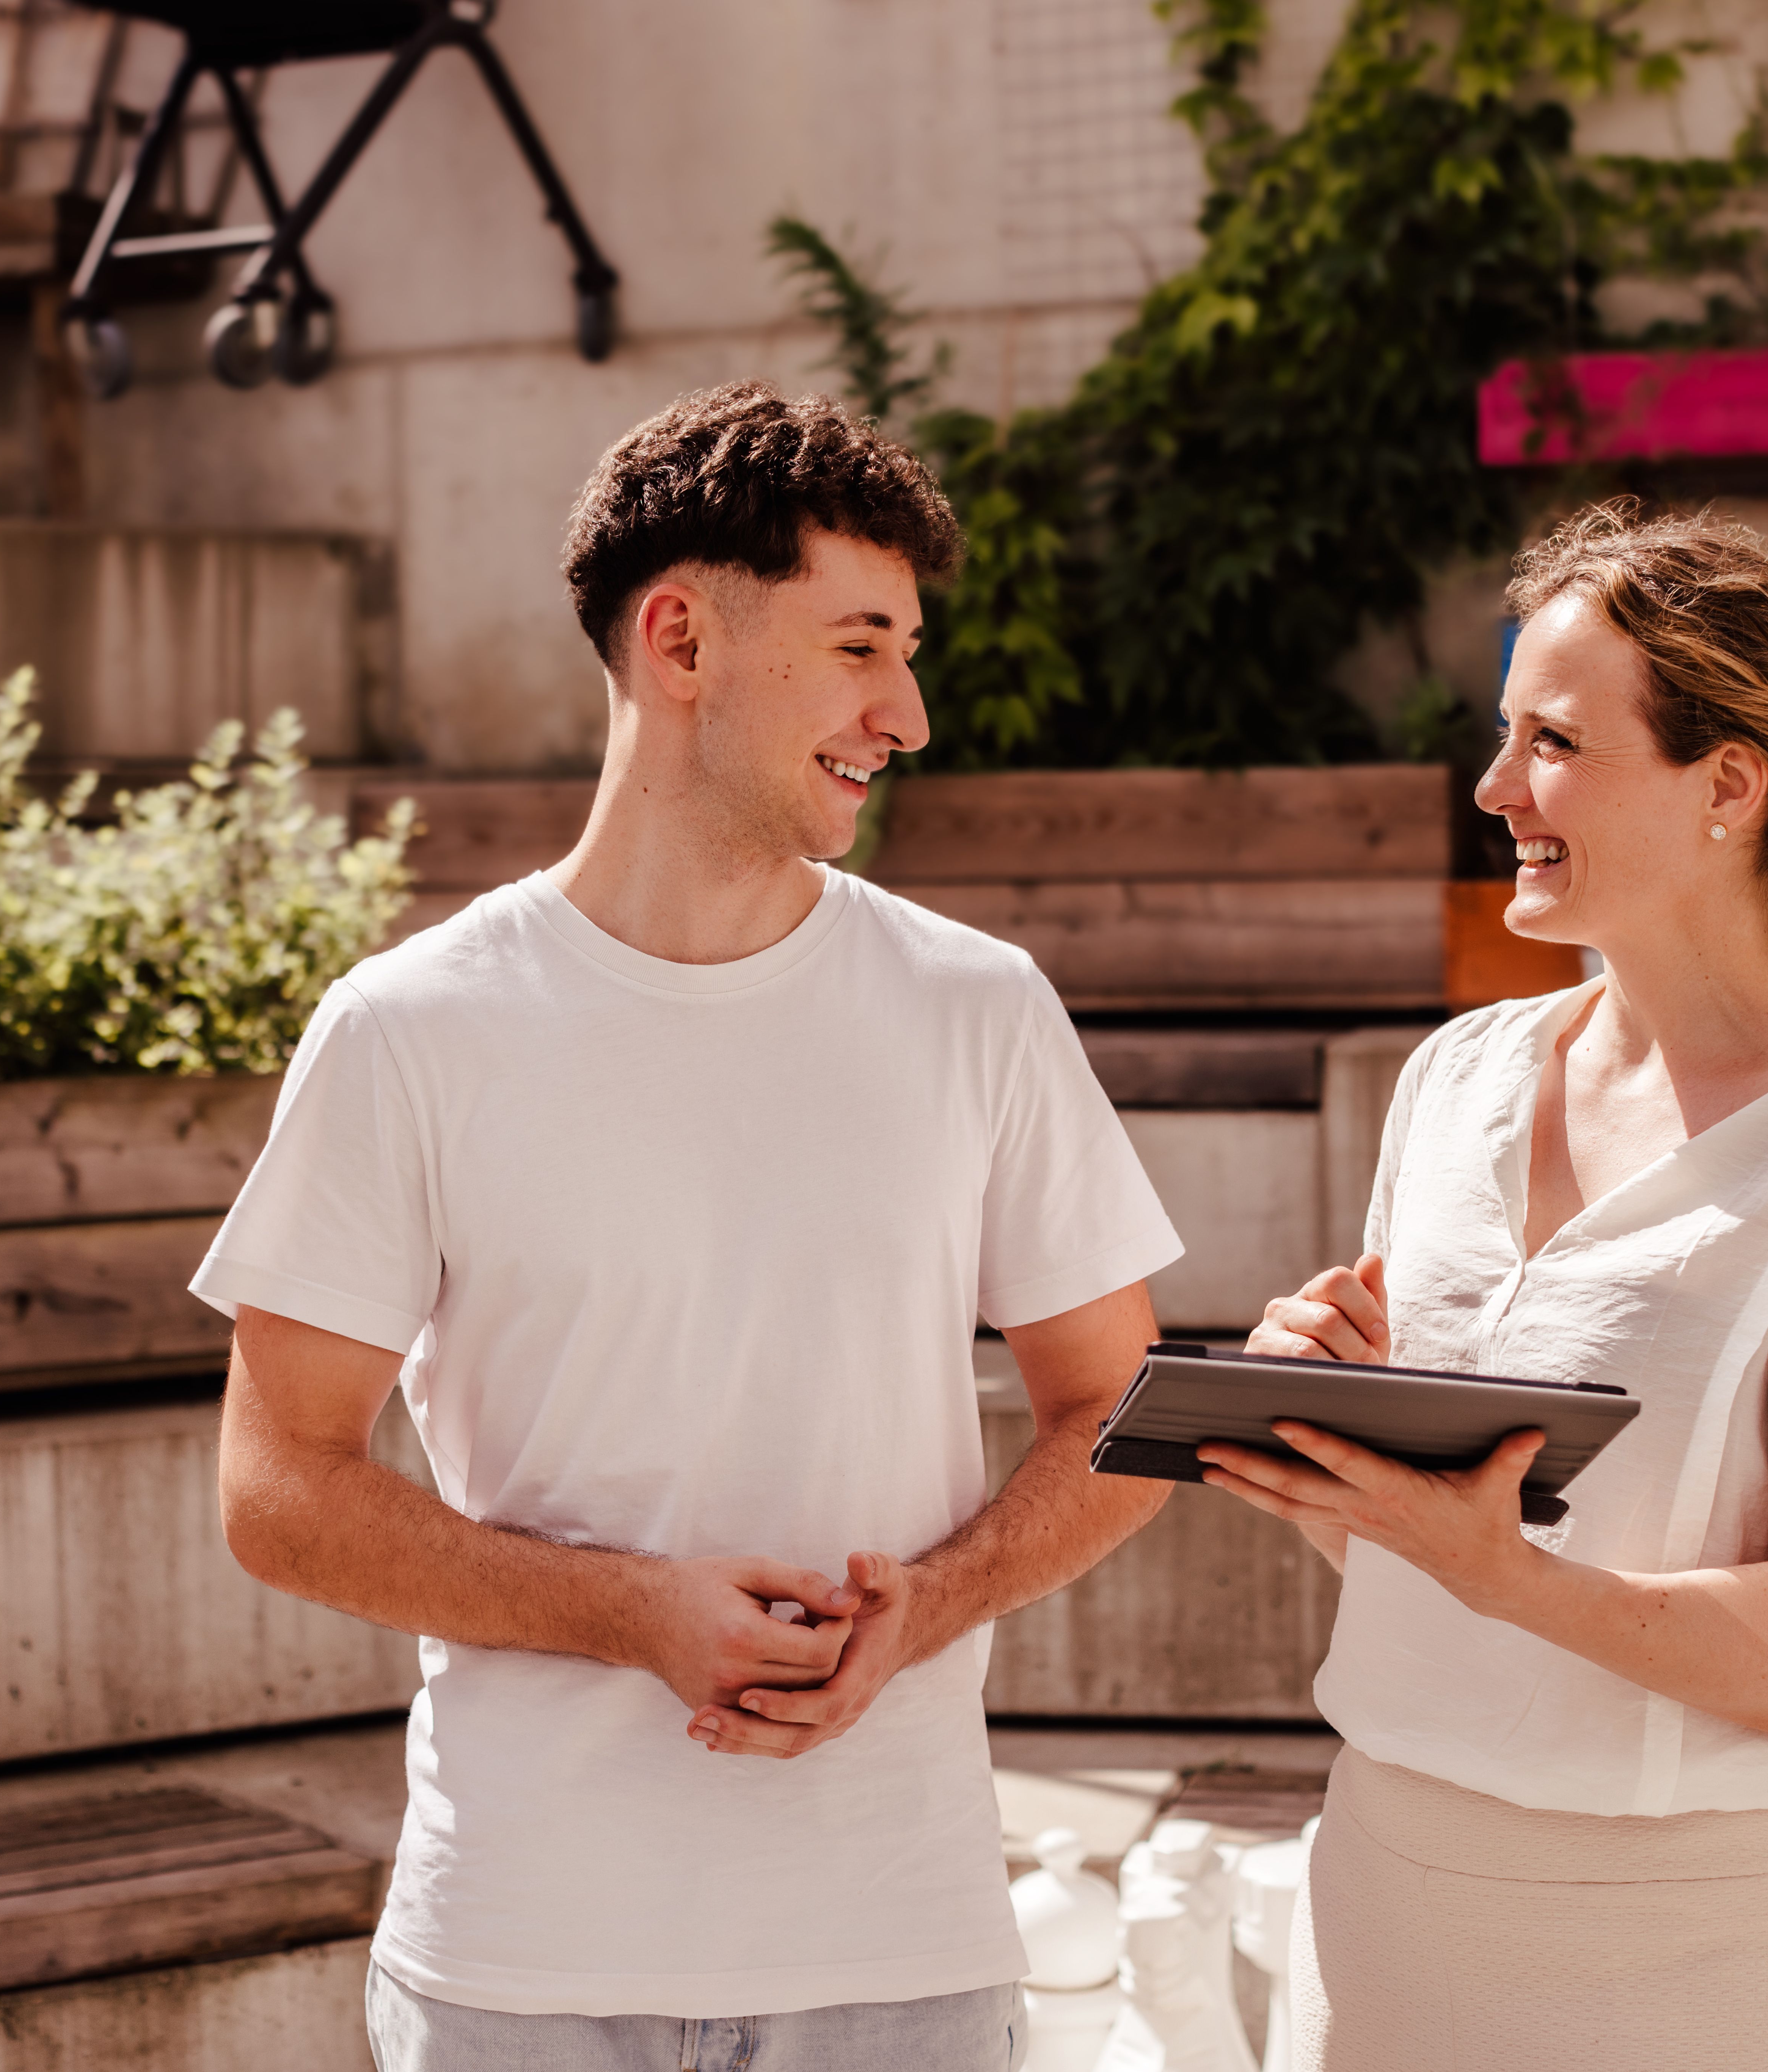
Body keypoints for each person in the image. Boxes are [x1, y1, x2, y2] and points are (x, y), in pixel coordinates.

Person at [193, 380, 1184, 2071]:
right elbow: (279, 1488)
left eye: (906, 651)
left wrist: (923, 1608)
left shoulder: (976, 1010)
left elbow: (1126, 1412)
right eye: (861, 646)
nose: (909, 713)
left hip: (898, 1943)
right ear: (680, 640)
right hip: (523, 1960)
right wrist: (631, 1610)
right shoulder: (409, 1029)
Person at [1204, 503, 1768, 2071]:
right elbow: (1430, 1550)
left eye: (1553, 740)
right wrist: (1315, 1442)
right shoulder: (1453, 1081)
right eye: (1503, 735)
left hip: (1680, 1944)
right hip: (1376, 1881)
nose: (1495, 788)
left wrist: (1502, 1570)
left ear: (1725, 784)